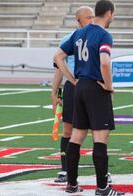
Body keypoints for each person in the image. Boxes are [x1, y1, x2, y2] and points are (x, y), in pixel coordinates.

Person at [53, 0, 124, 195]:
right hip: (96, 87)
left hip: (80, 86)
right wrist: (109, 86)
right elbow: (104, 62)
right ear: (109, 13)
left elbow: (58, 56)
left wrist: (71, 79)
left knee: (76, 136)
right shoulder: (103, 35)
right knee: (100, 138)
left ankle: (72, 184)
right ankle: (102, 188)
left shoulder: (78, 33)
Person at [50, 5, 94, 183]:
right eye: (88, 17)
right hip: (72, 87)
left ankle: (103, 171)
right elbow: (59, 68)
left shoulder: (97, 37)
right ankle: (65, 170)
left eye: (93, 16)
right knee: (68, 129)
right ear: (78, 20)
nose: (92, 20)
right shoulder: (69, 39)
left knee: (98, 130)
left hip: (92, 87)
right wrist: (54, 92)